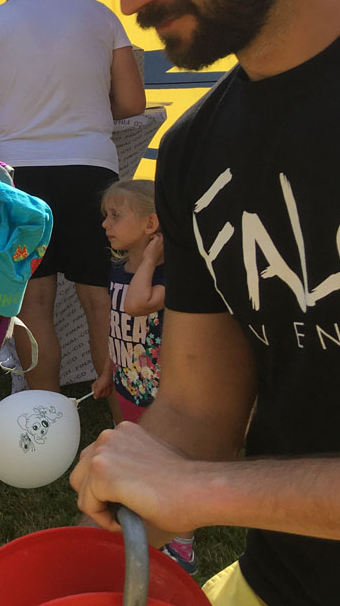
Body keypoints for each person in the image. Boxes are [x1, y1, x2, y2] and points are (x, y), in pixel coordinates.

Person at [68, 0, 340, 605]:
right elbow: (201, 409)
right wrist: (132, 479)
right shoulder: (195, 150)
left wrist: (206, 491)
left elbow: (205, 476)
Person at [0, 0, 145, 392]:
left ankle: (47, 411)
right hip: (91, 171)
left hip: (19, 176)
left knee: (33, 303)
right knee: (99, 301)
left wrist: (10, 116)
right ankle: (122, 413)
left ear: (12, 0)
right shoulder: (100, 14)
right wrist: (89, 111)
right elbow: (133, 102)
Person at [95, 179, 196, 575]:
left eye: (116, 216)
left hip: (160, 393)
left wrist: (151, 258)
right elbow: (116, 326)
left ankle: (182, 543)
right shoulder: (118, 269)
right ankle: (145, 517)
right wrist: (107, 370)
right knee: (136, 456)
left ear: (151, 224)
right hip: (127, 386)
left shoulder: (171, 277)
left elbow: (137, 304)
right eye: (106, 215)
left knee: (170, 464)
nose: (106, 224)